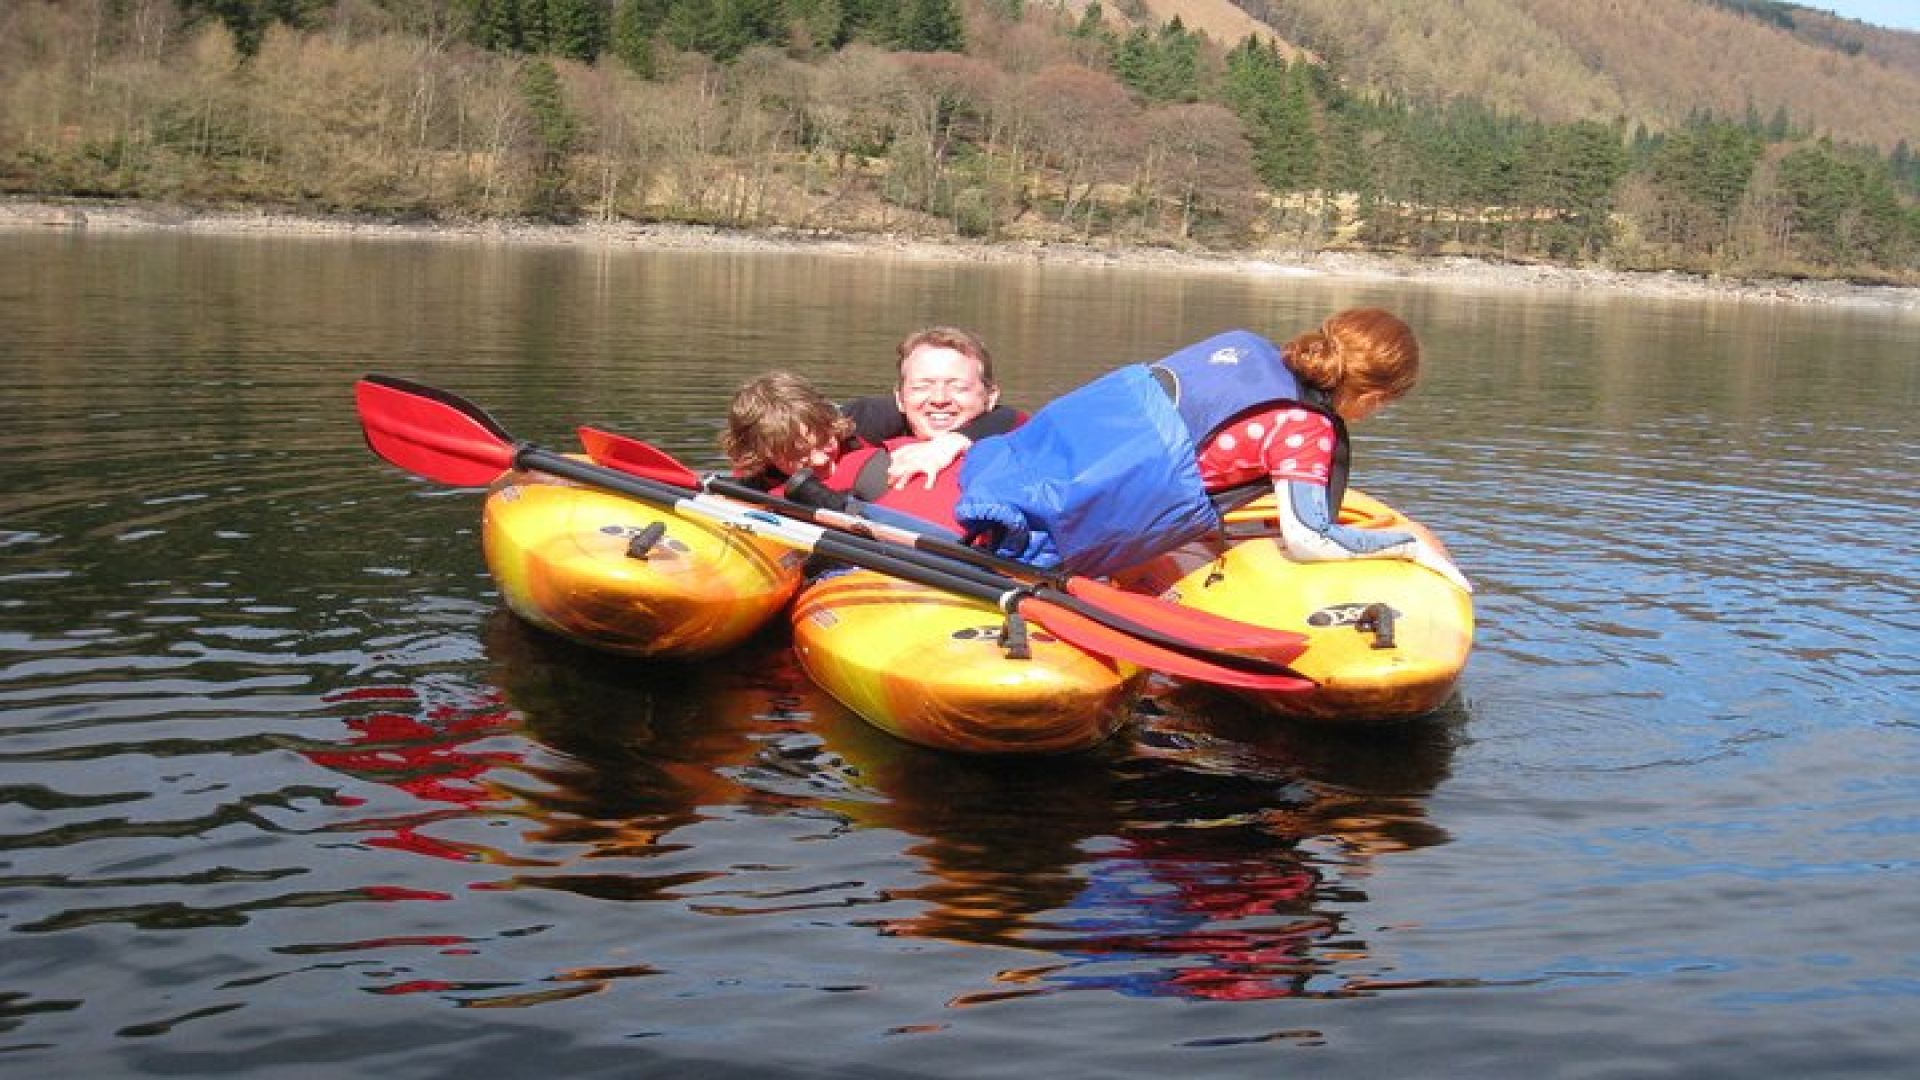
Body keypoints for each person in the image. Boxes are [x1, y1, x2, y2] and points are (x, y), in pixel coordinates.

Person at [952, 308, 1472, 590]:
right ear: (1374, 396)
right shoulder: (1305, 428)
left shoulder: (1242, 347)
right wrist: (1406, 546)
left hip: (1048, 455)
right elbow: (1310, 540)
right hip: (1074, 517)